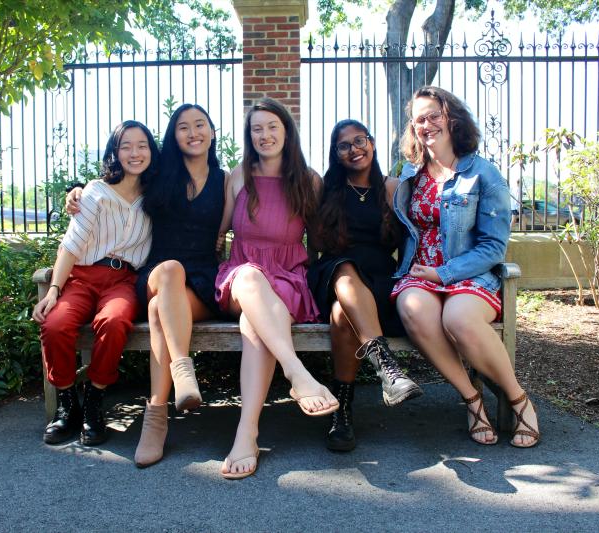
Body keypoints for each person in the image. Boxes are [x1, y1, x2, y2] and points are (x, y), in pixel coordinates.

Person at [66, 104, 230, 468]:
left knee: (160, 311)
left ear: (212, 132)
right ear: (174, 137)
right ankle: (183, 371)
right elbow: (112, 186)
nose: (192, 132)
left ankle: (156, 417)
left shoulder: (226, 180)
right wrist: (76, 190)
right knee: (169, 272)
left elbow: (259, 202)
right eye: (183, 127)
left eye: (200, 125)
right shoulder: (159, 176)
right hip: (156, 273)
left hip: (201, 281)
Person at [390, 86, 540, 448]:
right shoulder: (410, 174)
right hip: (419, 274)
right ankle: (472, 399)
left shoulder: (482, 174)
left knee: (458, 320)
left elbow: (493, 246)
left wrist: (445, 272)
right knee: (413, 310)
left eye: (433, 116)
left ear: (451, 118)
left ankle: (517, 399)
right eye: (419, 119)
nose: (426, 125)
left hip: (469, 274)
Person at [215, 98, 339, 480]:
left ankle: (246, 433)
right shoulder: (238, 176)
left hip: (287, 278)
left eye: (272, 127)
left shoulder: (309, 179)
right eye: (257, 129)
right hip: (240, 274)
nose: (265, 135)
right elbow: (220, 233)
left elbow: (319, 242)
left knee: (257, 326)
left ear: (286, 131)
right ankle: (297, 373)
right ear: (250, 136)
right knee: (251, 279)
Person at [33, 120, 157, 447]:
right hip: (83, 277)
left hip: (124, 280)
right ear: (114, 153)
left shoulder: (155, 197)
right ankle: (67, 402)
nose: (135, 152)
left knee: (114, 322)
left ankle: (93, 400)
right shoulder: (94, 192)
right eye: (126, 146)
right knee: (56, 324)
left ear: (151, 151)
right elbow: (71, 245)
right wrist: (55, 290)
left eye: (142, 145)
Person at [308, 119, 422, 452]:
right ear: (336, 154)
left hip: (379, 280)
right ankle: (385, 365)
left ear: (371, 143)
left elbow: (408, 241)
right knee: (344, 268)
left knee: (342, 316)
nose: (354, 149)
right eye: (345, 145)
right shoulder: (327, 189)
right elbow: (315, 241)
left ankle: (341, 412)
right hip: (332, 271)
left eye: (360, 141)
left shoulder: (392, 188)